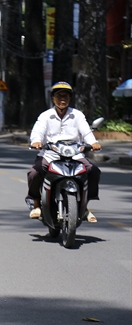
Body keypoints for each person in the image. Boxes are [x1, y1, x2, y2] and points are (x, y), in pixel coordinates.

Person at [27, 81, 102, 221]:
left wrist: (93, 142)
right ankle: (36, 203)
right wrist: (36, 141)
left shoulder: (77, 115)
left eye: (66, 96)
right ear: (53, 98)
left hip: (74, 154)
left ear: (70, 98)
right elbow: (37, 131)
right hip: (50, 154)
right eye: (59, 96)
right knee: (34, 173)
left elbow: (86, 131)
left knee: (93, 170)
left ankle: (85, 206)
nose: (63, 99)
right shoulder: (45, 116)